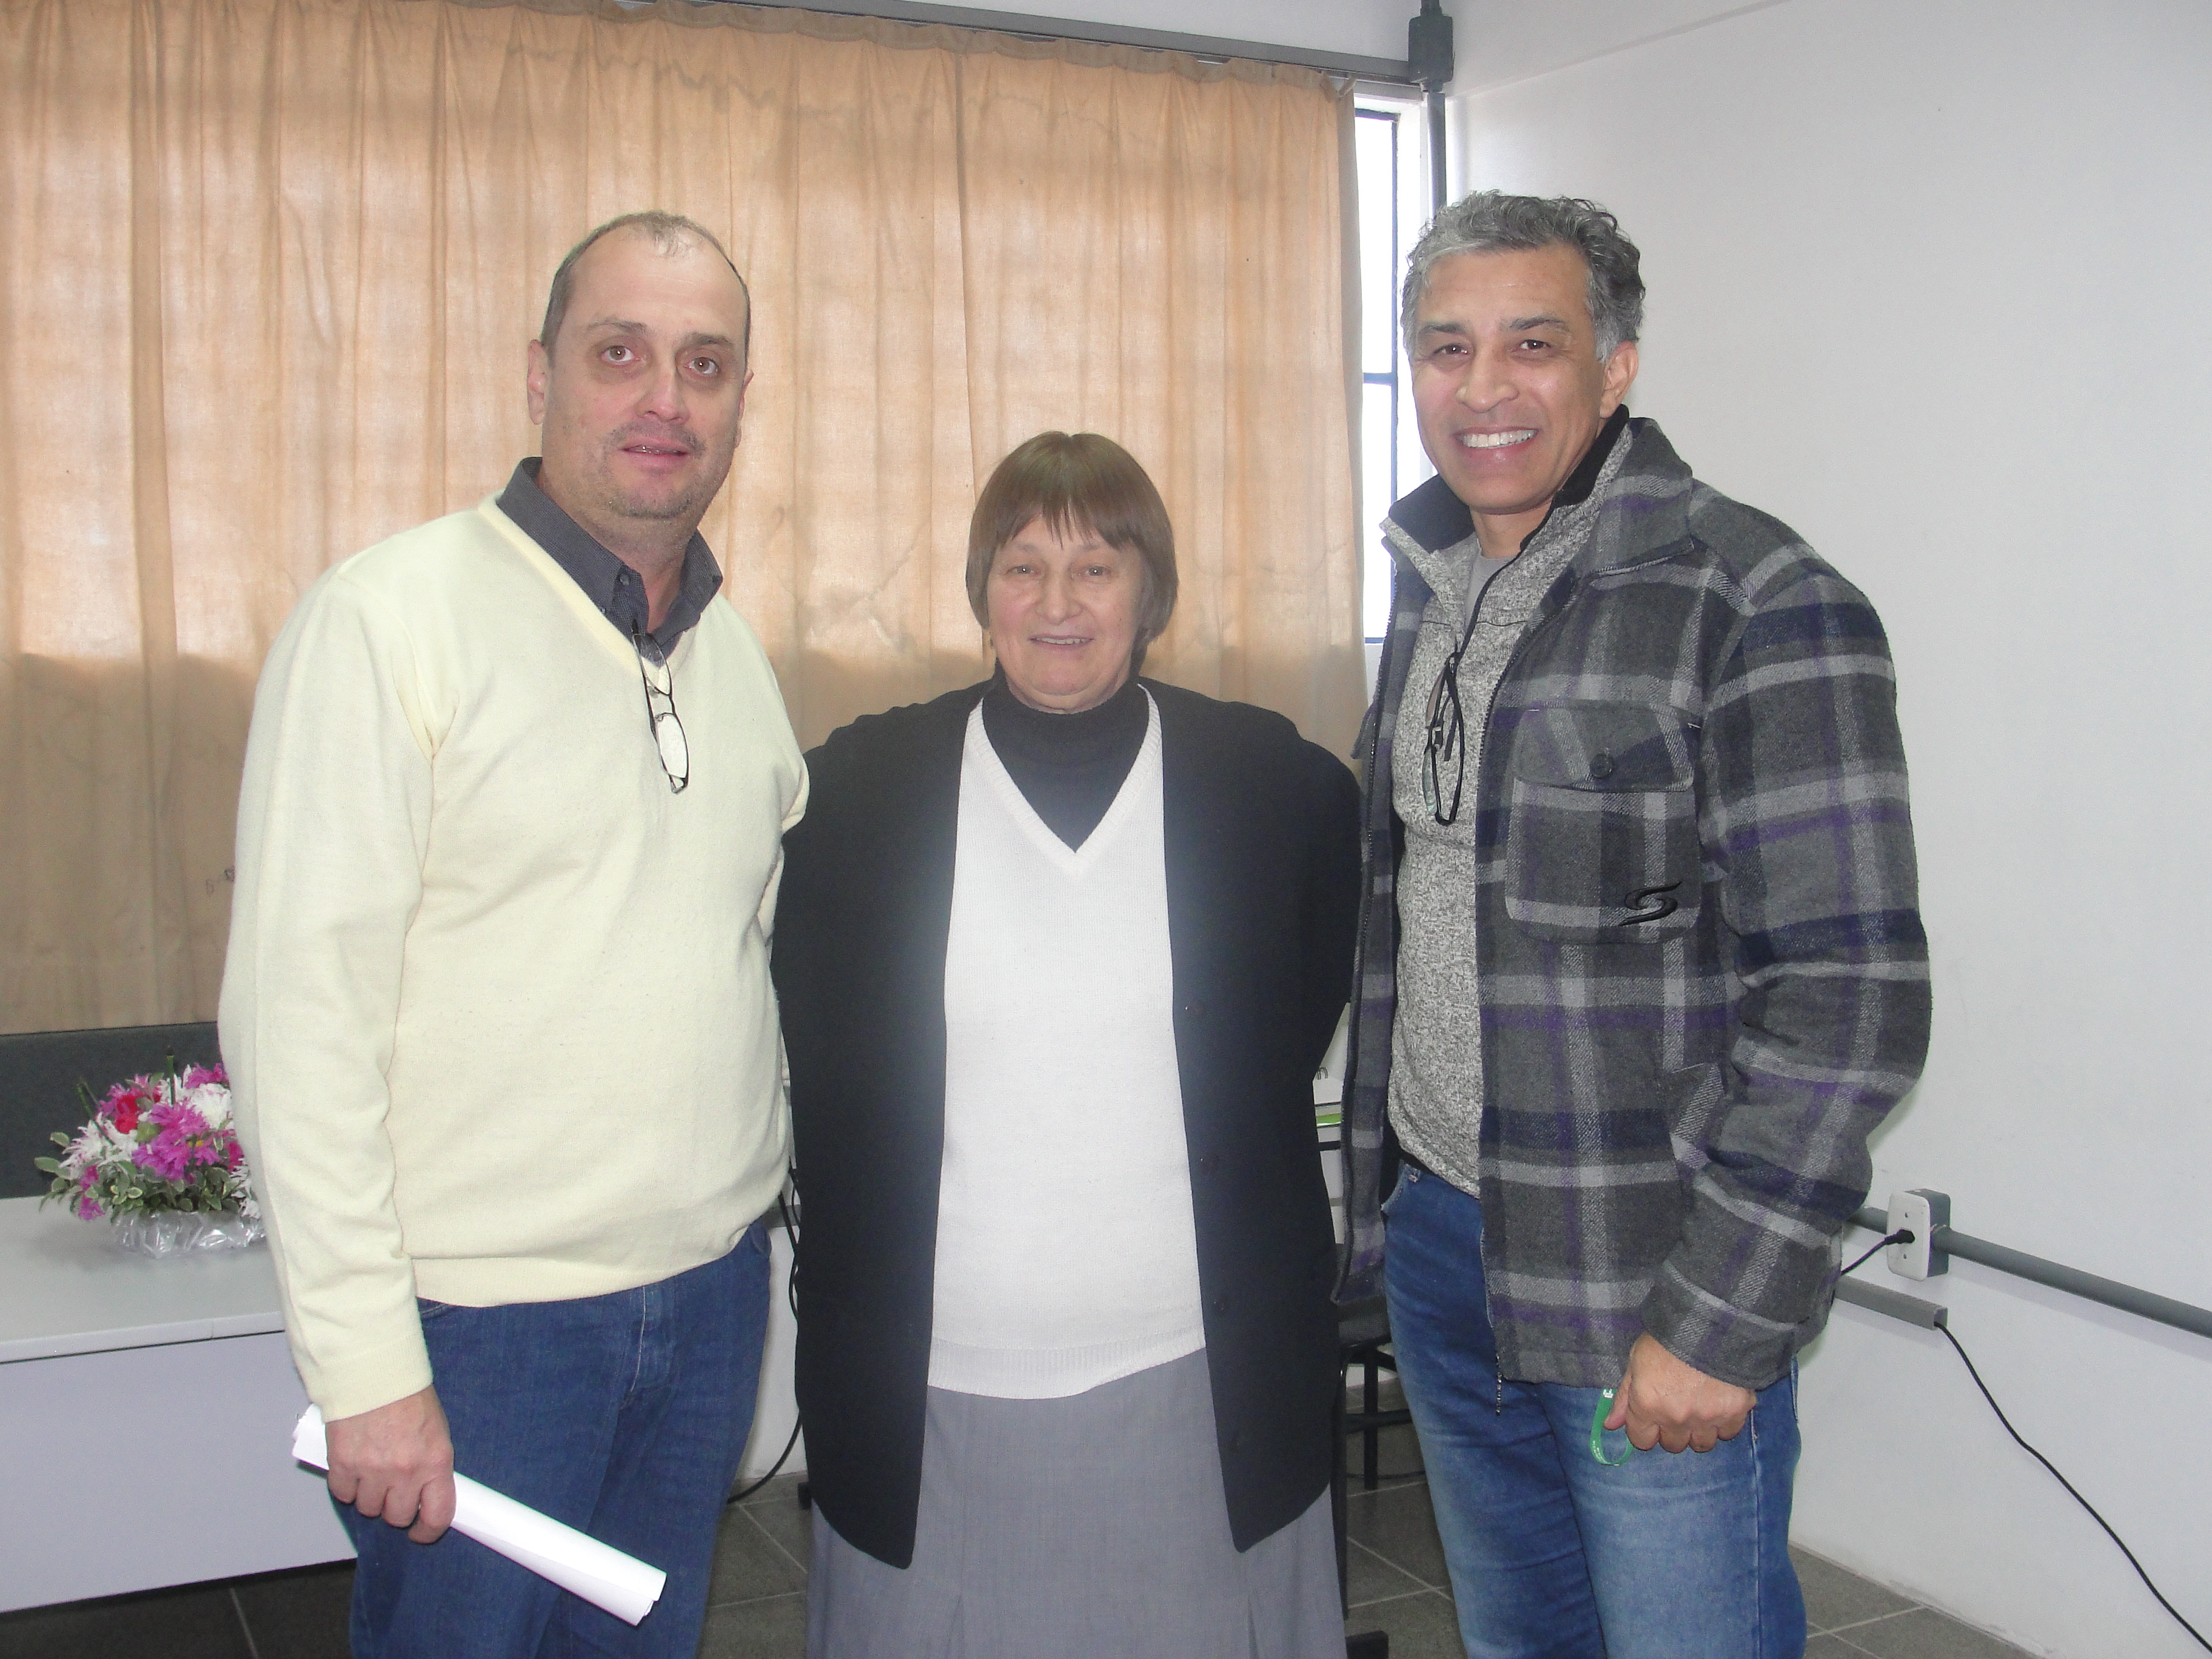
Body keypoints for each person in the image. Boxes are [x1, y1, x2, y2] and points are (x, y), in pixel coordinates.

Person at [1335, 192, 1931, 1659]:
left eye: (1531, 344)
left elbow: (1850, 997)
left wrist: (1723, 1312)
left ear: (1616, 366)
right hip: (1442, 1242)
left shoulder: (1759, 599)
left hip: (1641, 1273)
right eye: (1446, 347)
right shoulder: (1433, 588)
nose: (1483, 387)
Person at [220, 211, 806, 1658]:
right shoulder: (389, 622)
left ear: (741, 401)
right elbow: (300, 1023)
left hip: (708, 1300)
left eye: (705, 363)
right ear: (540, 374)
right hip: (487, 1332)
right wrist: (365, 1367)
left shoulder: (733, 657)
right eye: (620, 353)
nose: (665, 397)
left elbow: (744, 964)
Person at [770, 432, 1361, 1659]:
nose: (1057, 604)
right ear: (981, 588)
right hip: (933, 1386)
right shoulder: (858, 795)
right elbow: (816, 1041)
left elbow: (1292, 1017)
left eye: (1096, 568)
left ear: (1153, 592)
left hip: (1202, 1378)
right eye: (1023, 567)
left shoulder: (1273, 786)